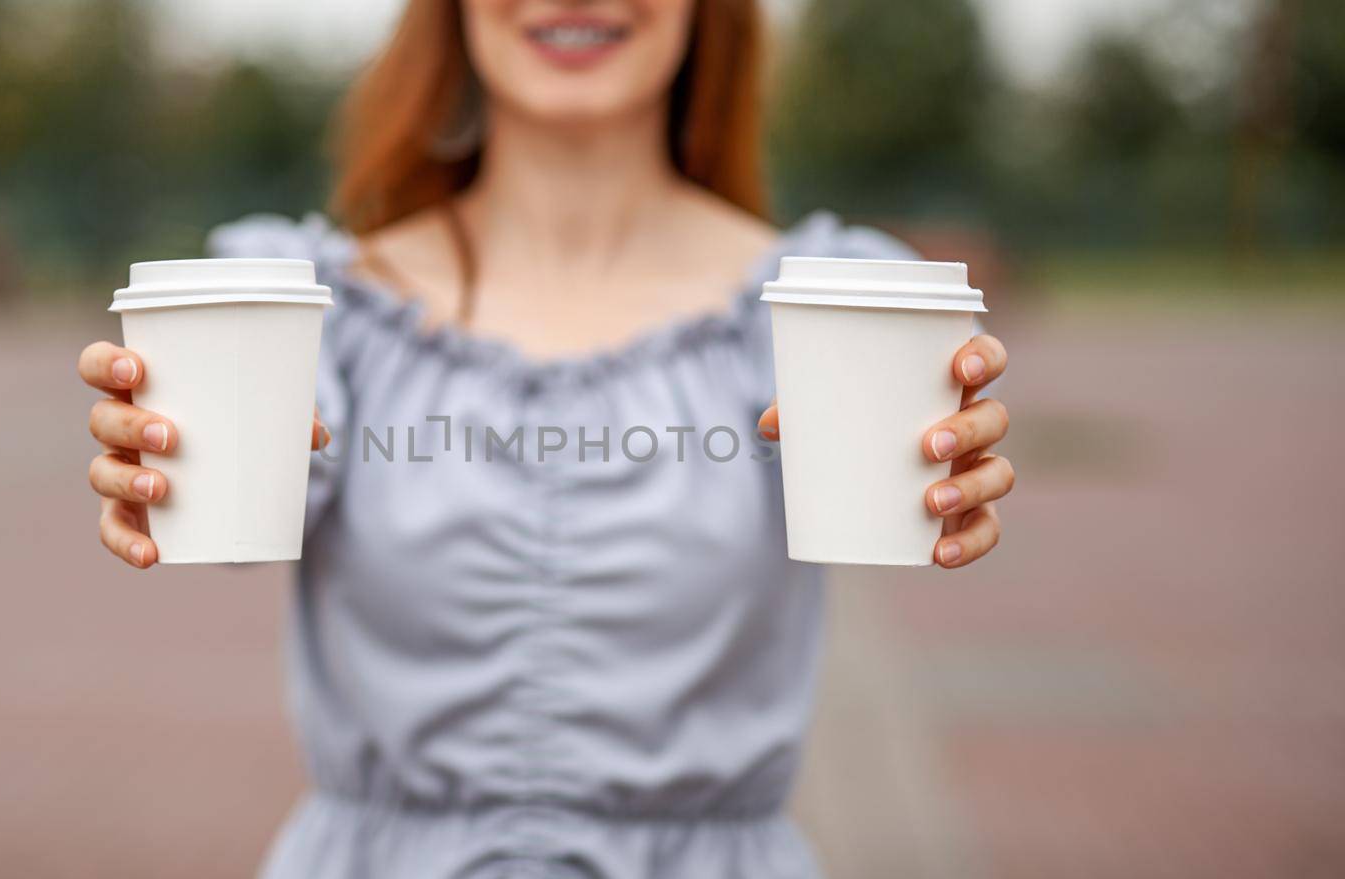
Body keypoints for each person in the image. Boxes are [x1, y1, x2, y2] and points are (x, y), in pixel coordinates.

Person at [76, 1, 1014, 876]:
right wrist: (159, 466)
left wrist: (949, 475)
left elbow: (915, 488)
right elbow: (237, 501)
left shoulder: (824, 304)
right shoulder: (307, 299)